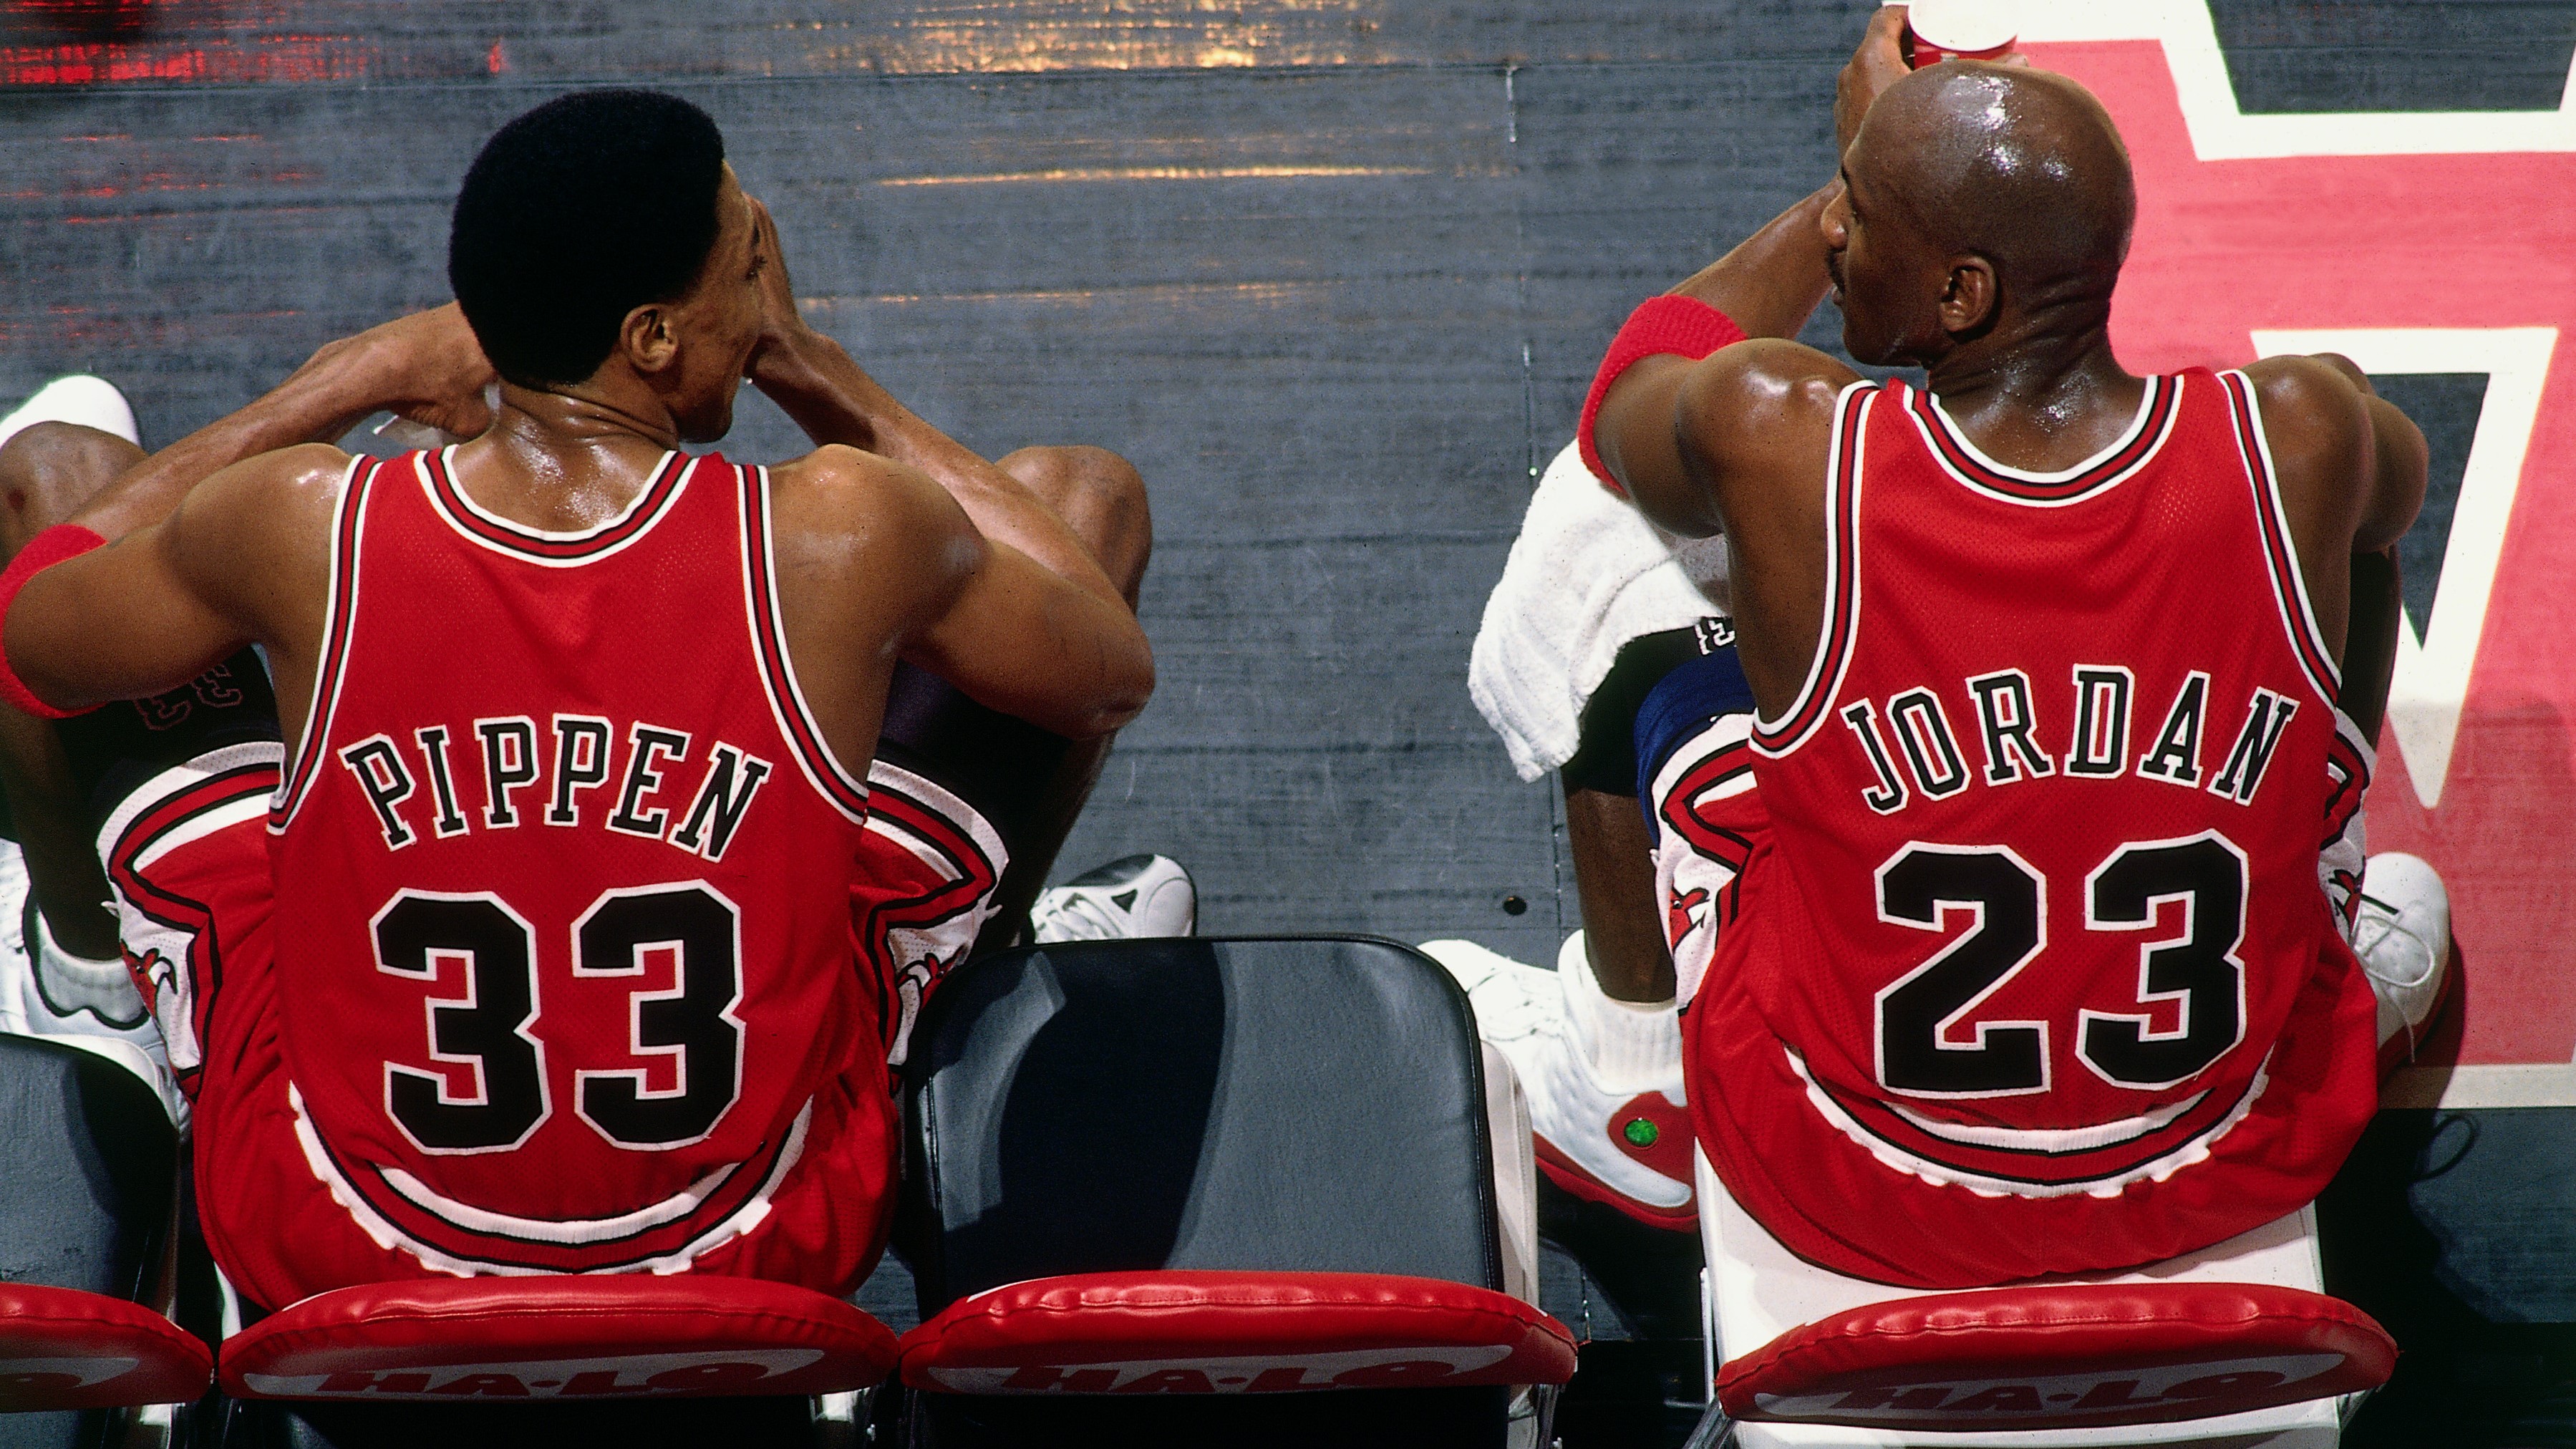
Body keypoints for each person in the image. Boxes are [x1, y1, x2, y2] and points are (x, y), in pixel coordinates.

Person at [0, 89, 1161, 1310]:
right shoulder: (843, 528)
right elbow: (1107, 670)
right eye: (749, 271)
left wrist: (343, 382)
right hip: (755, 1245)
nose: (764, 300)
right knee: (1081, 500)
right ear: (653, 337)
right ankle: (971, 977)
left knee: (51, 477)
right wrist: (814, 369)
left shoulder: (303, 520)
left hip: (342, 1238)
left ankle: (91, 977)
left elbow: (32, 628)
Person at [1474, 11, 2449, 1285]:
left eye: (1858, 215)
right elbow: (2384, 520)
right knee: (2337, 554)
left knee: (1605, 536)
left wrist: (1846, 162)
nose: (1837, 234)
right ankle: (2320, 871)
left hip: (1853, 1167)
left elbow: (1630, 394)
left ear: (1959, 293)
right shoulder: (2303, 427)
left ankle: (1629, 1075)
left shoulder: (1784, 436)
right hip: (2217, 1149)